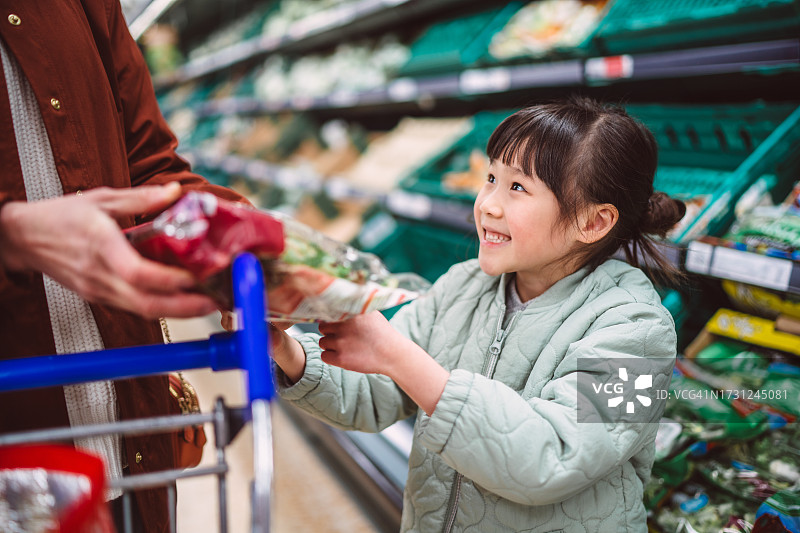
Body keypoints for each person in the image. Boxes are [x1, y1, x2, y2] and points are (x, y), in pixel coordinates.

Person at [268, 97, 687, 532]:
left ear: (594, 222)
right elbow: (373, 394)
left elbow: (553, 460)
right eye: (491, 177)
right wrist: (285, 348)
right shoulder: (462, 286)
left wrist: (400, 357)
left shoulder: (641, 336)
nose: (488, 203)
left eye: (517, 187)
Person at [0, 2, 248, 531]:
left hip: (135, 439)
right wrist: (11, 238)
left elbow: (149, 165)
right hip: (18, 457)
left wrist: (241, 235)